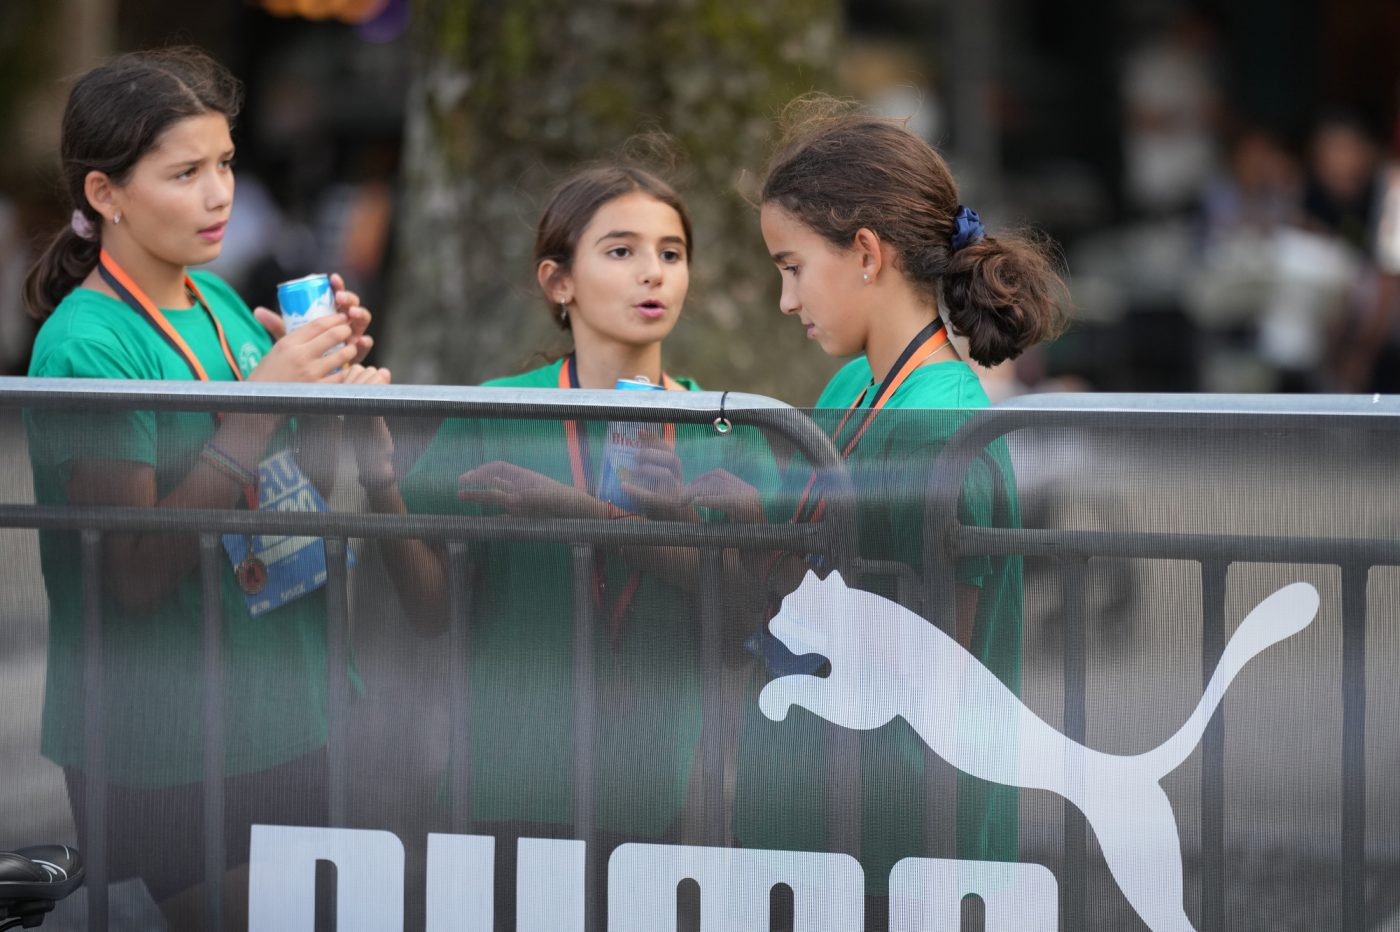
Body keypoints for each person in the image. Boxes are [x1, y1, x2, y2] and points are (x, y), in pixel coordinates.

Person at [347, 163, 772, 925]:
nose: (653, 272)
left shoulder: (727, 428)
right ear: (558, 281)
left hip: (660, 797)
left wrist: (658, 520)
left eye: (672, 253)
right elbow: (431, 611)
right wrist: (380, 479)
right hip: (503, 783)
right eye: (621, 250)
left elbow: (750, 624)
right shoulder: (496, 410)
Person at [21, 47, 386, 927]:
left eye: (224, 163)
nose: (219, 194)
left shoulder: (220, 301)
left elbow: (297, 491)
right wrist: (261, 407)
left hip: (290, 704)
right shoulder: (87, 345)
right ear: (105, 194)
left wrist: (328, 394)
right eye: (185, 173)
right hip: (168, 739)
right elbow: (136, 574)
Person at [732, 96, 1068, 929]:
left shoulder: (938, 427)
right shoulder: (854, 384)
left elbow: (923, 675)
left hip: (901, 847)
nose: (786, 300)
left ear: (866, 253)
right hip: (823, 822)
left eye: (793, 266)